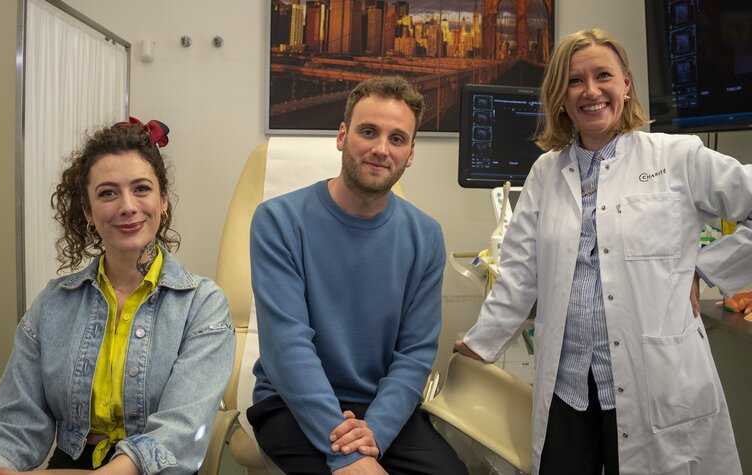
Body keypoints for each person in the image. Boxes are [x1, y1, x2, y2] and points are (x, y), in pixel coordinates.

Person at [455, 28, 750, 474]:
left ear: (626, 84)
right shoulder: (545, 172)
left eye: (603, 76)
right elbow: (519, 273)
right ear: (560, 96)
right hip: (569, 389)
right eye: (575, 81)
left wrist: (706, 269)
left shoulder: (678, 157)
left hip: (657, 385)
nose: (590, 91)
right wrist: (479, 345)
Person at [0, 118, 236, 475]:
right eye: (107, 193)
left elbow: (179, 433)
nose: (127, 206)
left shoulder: (203, 304)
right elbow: (13, 423)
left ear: (163, 200)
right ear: (87, 211)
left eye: (142, 188)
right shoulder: (53, 304)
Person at [247, 76, 468, 475]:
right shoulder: (278, 221)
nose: (381, 149)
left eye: (397, 139)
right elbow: (287, 349)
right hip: (290, 404)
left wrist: (374, 434)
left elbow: (415, 353)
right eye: (368, 132)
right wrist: (349, 456)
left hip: (381, 406)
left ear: (410, 154)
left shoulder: (425, 236)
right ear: (342, 136)